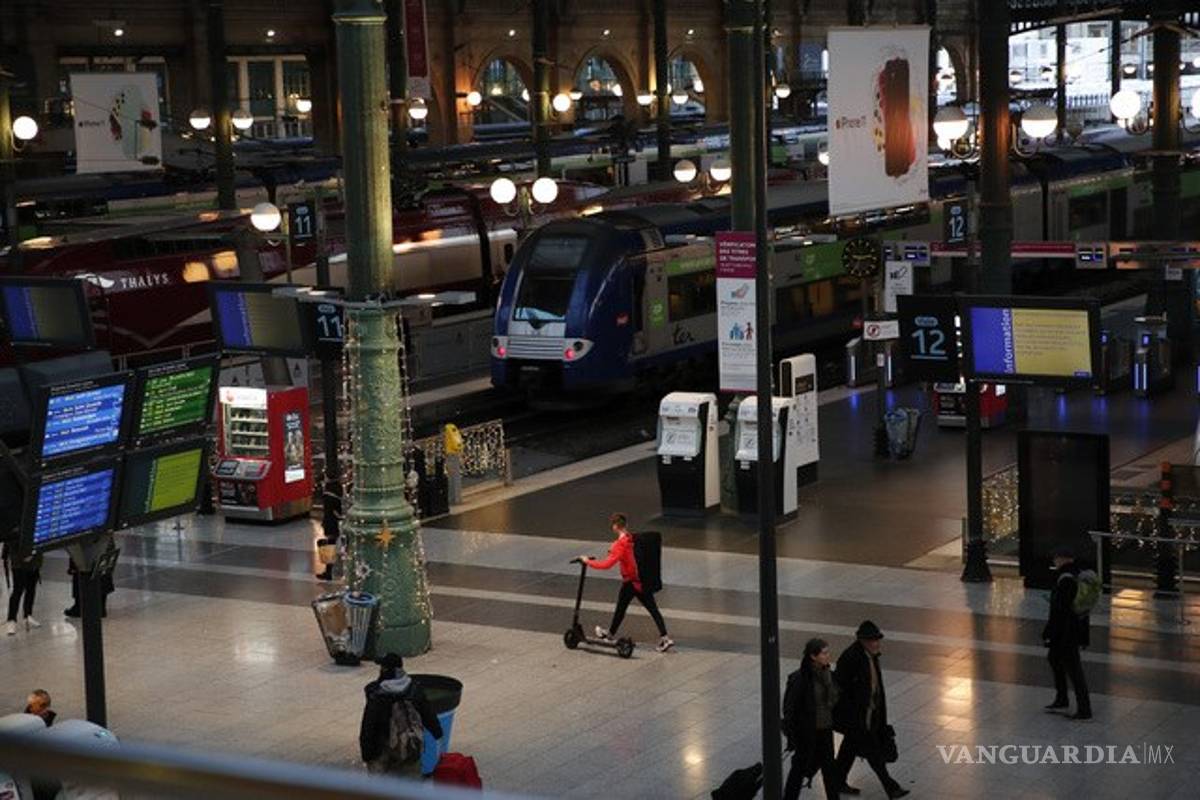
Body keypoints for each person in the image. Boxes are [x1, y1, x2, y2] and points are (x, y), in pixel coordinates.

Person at [833, 621, 909, 800]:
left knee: (848, 749)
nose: (877, 643)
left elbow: (875, 688)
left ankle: (837, 781)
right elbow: (841, 688)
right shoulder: (852, 658)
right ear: (863, 641)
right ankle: (891, 787)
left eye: (877, 640)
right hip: (856, 718)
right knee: (873, 754)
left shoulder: (871, 656)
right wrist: (852, 714)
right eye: (873, 640)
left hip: (867, 716)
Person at [582, 513, 674, 652]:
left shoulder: (620, 544)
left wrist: (587, 561)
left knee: (621, 608)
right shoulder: (633, 539)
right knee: (652, 609)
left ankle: (610, 634)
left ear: (614, 526)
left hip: (631, 583)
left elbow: (606, 564)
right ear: (626, 525)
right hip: (641, 581)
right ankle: (665, 638)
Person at [359, 653, 443, 779]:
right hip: (409, 747)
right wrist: (438, 733)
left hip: (383, 750)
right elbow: (428, 714)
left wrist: (367, 755)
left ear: (385, 670)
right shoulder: (414, 689)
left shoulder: (377, 694)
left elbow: (368, 726)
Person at [783, 638, 841, 800]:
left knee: (829, 769)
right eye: (824, 653)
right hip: (807, 732)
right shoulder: (800, 679)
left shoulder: (828, 674)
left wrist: (829, 684)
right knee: (798, 769)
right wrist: (792, 735)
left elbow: (833, 699)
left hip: (825, 728)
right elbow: (790, 708)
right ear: (813, 656)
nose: (828, 656)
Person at [1043, 547, 1092, 720]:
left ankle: (1084, 709)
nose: (1054, 561)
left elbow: (1061, 610)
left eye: (1056, 558)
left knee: (1074, 669)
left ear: (1063, 559)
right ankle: (1062, 698)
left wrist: (1050, 632)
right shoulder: (1077, 574)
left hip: (1066, 632)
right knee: (1054, 658)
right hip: (1074, 629)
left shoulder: (1066, 579)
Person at [3, 542, 42, 635]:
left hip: (34, 559)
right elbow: (10, 540)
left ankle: (28, 615)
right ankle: (11, 620)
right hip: (19, 560)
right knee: (18, 589)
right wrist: (22, 555)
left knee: (31, 588)